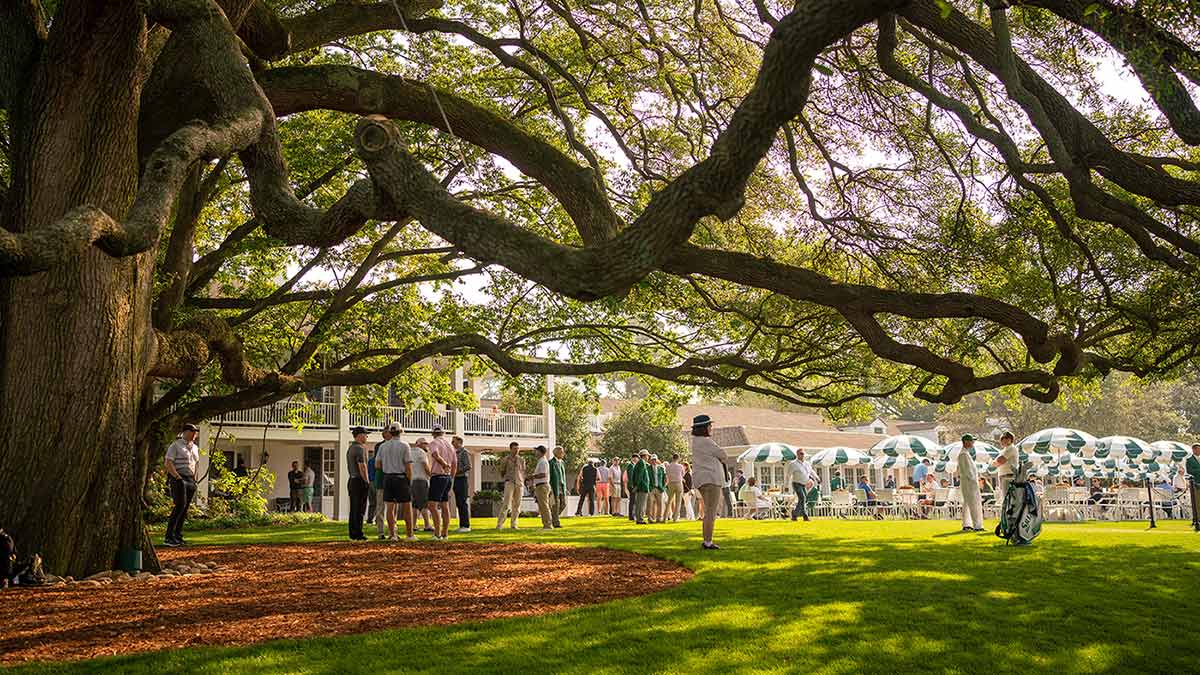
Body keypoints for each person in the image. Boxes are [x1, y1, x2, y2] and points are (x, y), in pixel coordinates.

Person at [691, 414, 730, 550]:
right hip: (711, 479)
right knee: (711, 512)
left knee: (708, 511)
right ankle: (708, 542)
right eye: (709, 426)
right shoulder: (706, 441)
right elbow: (723, 455)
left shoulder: (695, 441)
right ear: (704, 428)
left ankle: (706, 540)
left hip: (701, 479)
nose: (711, 428)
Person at [163, 423, 201, 547]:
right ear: (185, 432)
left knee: (185, 509)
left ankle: (177, 535)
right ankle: (169, 537)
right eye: (192, 431)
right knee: (179, 505)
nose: (194, 433)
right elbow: (168, 462)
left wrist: (194, 478)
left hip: (190, 479)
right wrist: (177, 477)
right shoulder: (176, 445)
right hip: (178, 478)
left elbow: (195, 463)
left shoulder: (195, 447)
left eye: (195, 431)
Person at [377, 422, 414, 541]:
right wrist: (409, 480)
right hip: (401, 477)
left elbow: (377, 464)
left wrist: (388, 465)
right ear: (401, 431)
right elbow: (408, 466)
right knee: (407, 507)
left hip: (387, 477)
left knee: (390, 508)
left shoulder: (383, 446)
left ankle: (393, 534)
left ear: (390, 432)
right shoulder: (405, 445)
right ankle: (410, 535)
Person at [426, 425, 457, 541]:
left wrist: (444, 464)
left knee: (432, 505)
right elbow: (455, 464)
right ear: (443, 433)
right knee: (444, 505)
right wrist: (451, 478)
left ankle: (437, 533)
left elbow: (435, 455)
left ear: (433, 433)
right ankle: (445, 533)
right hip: (447, 478)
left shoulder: (434, 443)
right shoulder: (450, 445)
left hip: (438, 476)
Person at [345, 426, 371, 541]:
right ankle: (358, 533)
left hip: (352, 480)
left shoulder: (351, 448)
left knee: (354, 508)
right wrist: (367, 481)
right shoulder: (360, 448)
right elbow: (362, 466)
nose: (366, 437)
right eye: (365, 434)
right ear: (360, 435)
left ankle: (353, 533)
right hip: (359, 480)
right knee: (360, 508)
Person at [957, 434, 985, 532]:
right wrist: (975, 481)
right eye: (971, 441)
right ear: (966, 442)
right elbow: (968, 471)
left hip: (969, 481)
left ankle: (967, 524)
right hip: (969, 482)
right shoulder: (963, 454)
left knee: (967, 503)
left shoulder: (965, 453)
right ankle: (977, 525)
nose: (973, 443)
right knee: (974, 503)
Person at [497, 442, 524, 529]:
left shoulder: (522, 460)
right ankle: (500, 524)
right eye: (515, 449)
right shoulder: (505, 459)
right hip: (509, 482)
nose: (517, 450)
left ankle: (514, 524)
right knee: (506, 504)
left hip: (519, 483)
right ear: (511, 449)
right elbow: (502, 471)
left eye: (518, 449)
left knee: (517, 505)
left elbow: (523, 471)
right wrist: (506, 478)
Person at [409, 437, 433, 533]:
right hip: (421, 480)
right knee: (424, 504)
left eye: (426, 444)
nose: (426, 445)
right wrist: (431, 475)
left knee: (415, 504)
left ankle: (414, 525)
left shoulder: (410, 452)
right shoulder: (421, 453)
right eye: (424, 444)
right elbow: (426, 467)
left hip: (412, 481)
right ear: (418, 444)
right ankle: (427, 525)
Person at [785, 449, 814, 522]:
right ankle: (799, 515)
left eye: (803, 454)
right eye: (801, 453)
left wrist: (817, 478)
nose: (802, 455)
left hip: (804, 484)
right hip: (796, 483)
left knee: (803, 500)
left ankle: (800, 516)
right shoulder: (793, 464)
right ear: (797, 454)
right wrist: (786, 486)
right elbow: (788, 475)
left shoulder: (807, 463)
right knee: (803, 498)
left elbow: (811, 471)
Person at [530, 445, 554, 530]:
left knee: (544, 506)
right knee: (542, 506)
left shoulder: (543, 462)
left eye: (536, 451)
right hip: (540, 485)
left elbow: (543, 474)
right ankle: (546, 524)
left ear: (540, 452)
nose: (535, 452)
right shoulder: (540, 461)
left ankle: (548, 525)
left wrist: (532, 476)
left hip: (542, 485)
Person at [452, 436, 472, 533]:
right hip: (456, 479)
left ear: (459, 442)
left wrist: (457, 472)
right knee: (459, 502)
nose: (452, 443)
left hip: (462, 479)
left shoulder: (464, 452)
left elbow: (468, 466)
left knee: (463, 502)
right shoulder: (454, 453)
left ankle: (466, 525)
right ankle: (461, 525)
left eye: (453, 441)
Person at [367, 433, 385, 538]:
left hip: (371, 481)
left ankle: (370, 518)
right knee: (378, 503)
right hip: (376, 481)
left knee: (373, 502)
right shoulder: (377, 460)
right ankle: (374, 521)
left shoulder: (370, 460)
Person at [993, 431, 1020, 499]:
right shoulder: (1004, 450)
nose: (1004, 441)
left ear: (1010, 440)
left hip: (1009, 475)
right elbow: (995, 463)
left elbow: (1000, 460)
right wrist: (997, 462)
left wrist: (997, 462)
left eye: (1006, 439)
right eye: (1003, 439)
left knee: (1007, 497)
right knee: (1004, 496)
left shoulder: (1011, 448)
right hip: (1003, 475)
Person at [629, 450, 652, 524]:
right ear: (644, 455)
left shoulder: (640, 463)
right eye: (647, 455)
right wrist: (637, 486)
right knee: (641, 504)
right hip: (642, 487)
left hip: (641, 486)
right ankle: (640, 519)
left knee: (639, 503)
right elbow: (640, 476)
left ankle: (639, 518)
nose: (648, 457)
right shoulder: (642, 463)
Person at [549, 446, 568, 528]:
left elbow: (563, 476)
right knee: (556, 505)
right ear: (556, 453)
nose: (563, 454)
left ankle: (552, 517)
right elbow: (549, 476)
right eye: (561, 452)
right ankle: (556, 522)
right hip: (554, 487)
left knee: (563, 504)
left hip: (562, 487)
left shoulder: (562, 462)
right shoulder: (551, 462)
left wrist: (565, 488)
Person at [665, 453, 685, 522]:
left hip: (671, 483)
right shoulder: (680, 466)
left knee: (669, 501)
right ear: (678, 458)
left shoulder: (668, 466)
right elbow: (683, 474)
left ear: (672, 458)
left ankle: (665, 517)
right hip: (678, 483)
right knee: (678, 501)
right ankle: (675, 518)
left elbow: (667, 474)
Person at [649, 455, 667, 523]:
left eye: (655, 459)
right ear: (651, 460)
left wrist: (663, 487)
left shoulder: (661, 468)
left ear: (657, 460)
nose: (654, 461)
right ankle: (650, 518)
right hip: (651, 488)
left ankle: (659, 518)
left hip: (659, 488)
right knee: (650, 503)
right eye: (652, 459)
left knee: (660, 504)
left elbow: (664, 479)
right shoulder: (648, 468)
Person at [1187, 443, 1200, 531]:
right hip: (1195, 483)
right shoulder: (1189, 460)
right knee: (1196, 502)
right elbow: (1189, 471)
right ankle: (1197, 519)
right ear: (1194, 450)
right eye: (1198, 449)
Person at [626, 452, 640, 522]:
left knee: (634, 501)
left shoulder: (635, 465)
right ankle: (631, 516)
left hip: (633, 485)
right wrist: (632, 486)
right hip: (632, 486)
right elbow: (630, 477)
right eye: (634, 458)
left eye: (636, 458)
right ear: (632, 458)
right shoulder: (631, 466)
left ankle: (633, 515)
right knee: (632, 501)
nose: (635, 459)